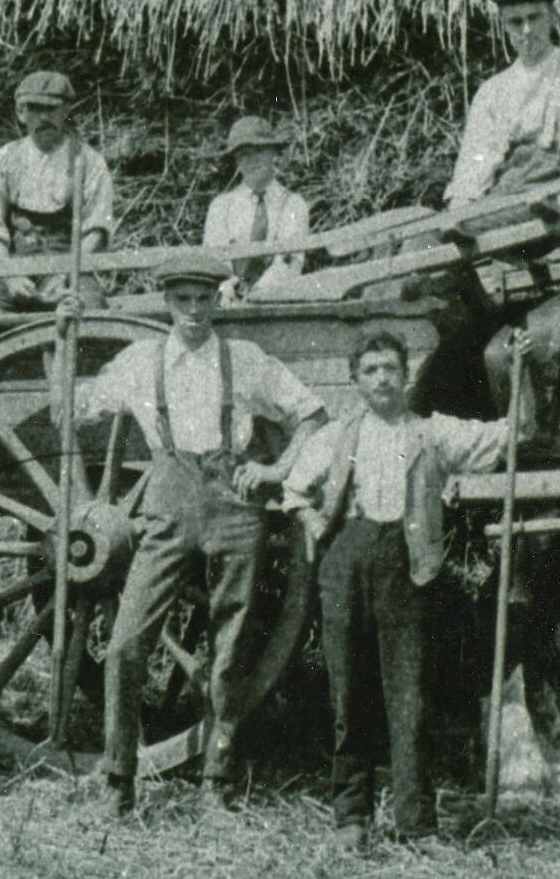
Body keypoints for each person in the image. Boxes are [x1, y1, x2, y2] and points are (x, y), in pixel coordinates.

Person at [61, 252, 326, 815]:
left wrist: (278, 470)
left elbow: (311, 414)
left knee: (231, 648)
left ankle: (217, 779)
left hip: (235, 508)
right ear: (167, 302)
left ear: (217, 300)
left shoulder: (245, 360)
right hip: (167, 505)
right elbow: (74, 412)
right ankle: (117, 778)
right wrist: (66, 336)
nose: (194, 311)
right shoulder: (140, 361)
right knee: (126, 643)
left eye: (204, 299)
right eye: (183, 300)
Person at [279, 329, 521, 840]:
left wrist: (521, 372)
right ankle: (352, 817)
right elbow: (294, 490)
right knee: (348, 697)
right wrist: (315, 524)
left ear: (406, 376)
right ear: (355, 380)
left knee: (409, 702)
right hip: (346, 565)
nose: (382, 379)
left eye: (390, 368)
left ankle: (415, 825)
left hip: (409, 569)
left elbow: (507, 436)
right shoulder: (339, 436)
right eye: (370, 371)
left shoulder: (432, 432)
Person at [444, 0, 560, 207]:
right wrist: (457, 212)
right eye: (516, 22)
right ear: (504, 26)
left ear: (553, 17)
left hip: (553, 192)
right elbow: (475, 162)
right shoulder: (492, 91)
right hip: (505, 197)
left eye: (534, 18)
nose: (526, 30)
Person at [0, 69, 114, 309]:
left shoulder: (88, 161)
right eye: (34, 109)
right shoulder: (2, 161)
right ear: (21, 112)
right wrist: (11, 276)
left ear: (66, 110)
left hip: (70, 268)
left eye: (51, 109)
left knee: (90, 307)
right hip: (15, 268)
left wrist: (65, 275)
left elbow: (96, 231)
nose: (43, 118)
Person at [202, 115, 311, 301]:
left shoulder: (294, 205)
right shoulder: (221, 207)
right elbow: (215, 261)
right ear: (237, 161)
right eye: (244, 155)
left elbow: (289, 264)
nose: (252, 160)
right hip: (229, 304)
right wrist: (229, 288)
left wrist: (256, 296)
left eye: (259, 151)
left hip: (275, 301)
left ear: (273, 153)